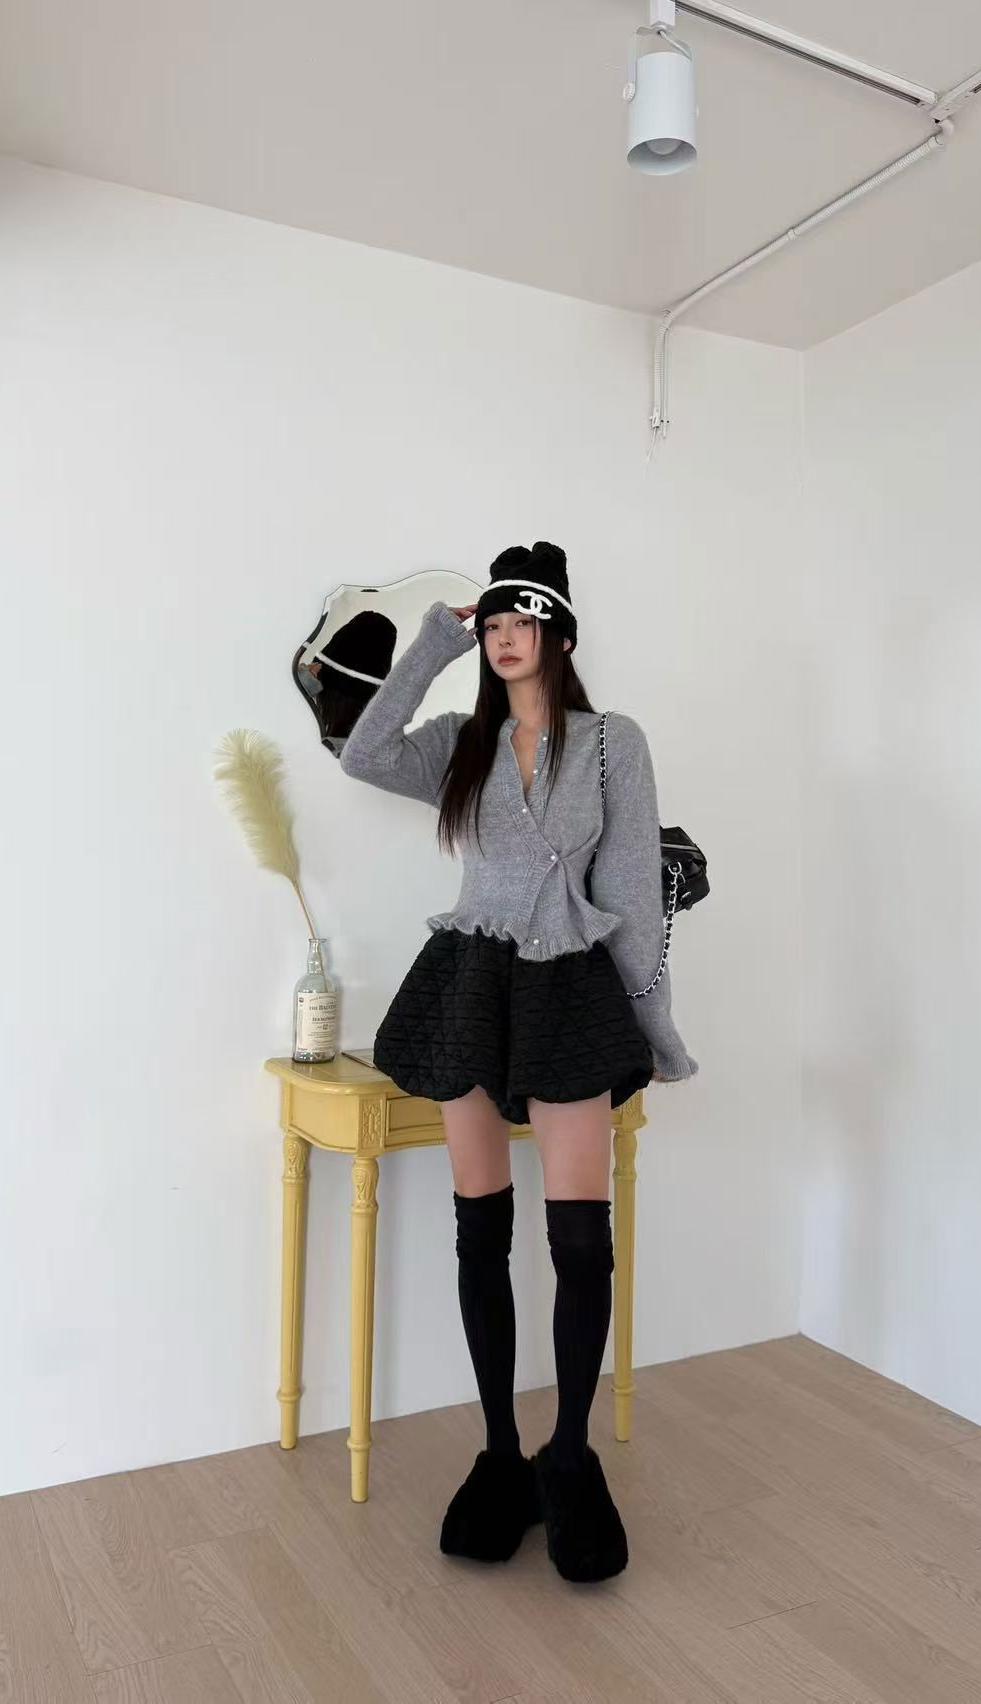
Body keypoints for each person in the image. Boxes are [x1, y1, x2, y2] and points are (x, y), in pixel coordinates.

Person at [338, 541, 698, 1583]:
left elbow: (629, 891)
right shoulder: (460, 743)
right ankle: (500, 1452)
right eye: (491, 624)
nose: (503, 637)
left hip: (568, 988)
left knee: (580, 1241)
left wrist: (653, 1025)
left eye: (520, 622)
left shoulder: (611, 743)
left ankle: (568, 1457)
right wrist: (431, 648)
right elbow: (362, 754)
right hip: (471, 983)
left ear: (559, 635)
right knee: (480, 1228)